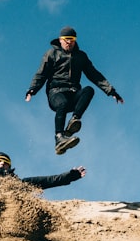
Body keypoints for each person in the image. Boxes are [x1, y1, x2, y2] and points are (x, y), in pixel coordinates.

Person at [25, 25, 123, 154]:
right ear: (60, 40)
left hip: (73, 93)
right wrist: (32, 89)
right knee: (63, 103)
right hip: (56, 92)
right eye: (66, 40)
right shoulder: (52, 54)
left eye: (72, 40)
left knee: (88, 90)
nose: (69, 43)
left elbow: (94, 74)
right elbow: (41, 73)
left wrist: (111, 91)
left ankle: (74, 120)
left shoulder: (80, 56)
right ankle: (59, 137)